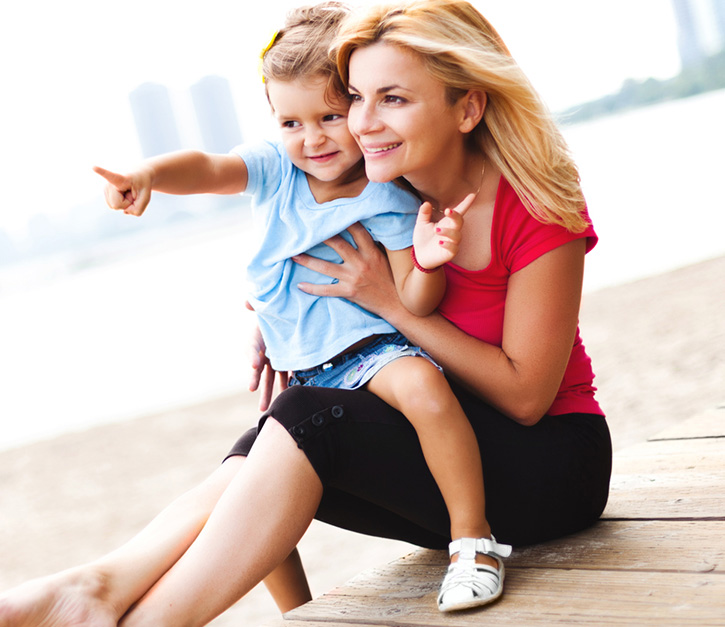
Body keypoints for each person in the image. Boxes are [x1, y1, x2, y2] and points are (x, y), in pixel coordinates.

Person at [0, 1, 611, 625]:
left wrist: (384, 303)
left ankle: (151, 618)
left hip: (550, 466)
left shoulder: (534, 207)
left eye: (391, 100)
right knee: (267, 436)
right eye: (357, 98)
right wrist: (282, 319)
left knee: (306, 420)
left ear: (467, 107)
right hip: (450, 448)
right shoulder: (387, 189)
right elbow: (269, 214)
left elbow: (527, 396)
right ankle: (100, 586)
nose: (362, 123)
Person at [92, 0, 504, 612]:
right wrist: (148, 173)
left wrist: (428, 262)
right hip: (305, 364)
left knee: (426, 391)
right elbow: (207, 166)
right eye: (290, 123)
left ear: (360, 112)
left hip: (375, 351)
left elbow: (414, 303)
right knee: (257, 478)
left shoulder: (385, 193)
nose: (311, 139)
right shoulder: (274, 172)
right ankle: (297, 610)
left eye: (330, 117)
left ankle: (472, 539)